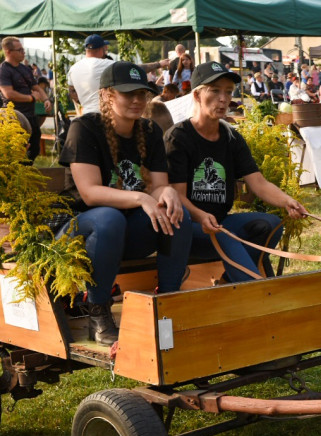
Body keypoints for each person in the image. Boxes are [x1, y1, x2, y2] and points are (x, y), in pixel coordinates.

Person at [57, 61, 192, 345]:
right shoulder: (84, 128)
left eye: (141, 93)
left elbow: (158, 186)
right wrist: (143, 196)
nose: (136, 100)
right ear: (106, 95)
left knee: (177, 215)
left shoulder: (150, 130)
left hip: (126, 229)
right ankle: (98, 310)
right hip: (82, 232)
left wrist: (165, 193)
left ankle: (166, 305)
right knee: (109, 218)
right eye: (127, 93)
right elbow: (91, 193)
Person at [165, 61, 305, 284]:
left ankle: (230, 283)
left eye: (228, 92)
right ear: (197, 95)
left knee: (269, 225)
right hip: (187, 228)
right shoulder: (179, 137)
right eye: (215, 91)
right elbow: (177, 196)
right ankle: (255, 291)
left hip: (220, 222)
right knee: (222, 236)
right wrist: (201, 216)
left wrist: (287, 201)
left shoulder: (231, 138)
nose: (223, 98)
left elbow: (258, 183)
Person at [1, 36, 51, 162]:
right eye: (20, 50)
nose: (23, 52)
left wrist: (46, 99)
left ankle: (27, 174)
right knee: (16, 153)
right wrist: (31, 98)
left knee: (34, 148)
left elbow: (36, 87)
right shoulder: (3, 70)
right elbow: (8, 93)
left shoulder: (24, 68)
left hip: (30, 115)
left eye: (23, 50)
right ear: (8, 51)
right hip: (14, 117)